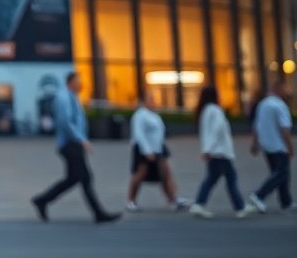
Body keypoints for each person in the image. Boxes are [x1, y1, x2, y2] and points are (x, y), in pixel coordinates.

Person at [31, 72, 121, 223]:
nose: (81, 84)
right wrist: (81, 140)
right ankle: (98, 213)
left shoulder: (73, 98)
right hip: (70, 144)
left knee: (74, 179)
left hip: (74, 144)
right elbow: (65, 122)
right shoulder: (64, 98)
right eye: (78, 81)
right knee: (84, 178)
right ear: (70, 82)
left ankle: (42, 200)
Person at [191, 86, 254, 219]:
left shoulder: (205, 111)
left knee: (212, 178)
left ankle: (199, 204)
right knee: (230, 178)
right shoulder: (215, 110)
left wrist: (206, 149)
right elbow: (216, 131)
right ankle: (239, 207)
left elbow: (206, 133)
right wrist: (208, 149)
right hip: (220, 151)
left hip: (214, 151)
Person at [126, 90, 189, 212]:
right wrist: (146, 151)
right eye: (150, 99)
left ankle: (172, 199)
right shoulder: (140, 115)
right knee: (140, 174)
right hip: (144, 150)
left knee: (166, 173)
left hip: (159, 148)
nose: (153, 102)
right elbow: (139, 134)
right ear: (144, 102)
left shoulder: (154, 115)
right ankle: (131, 201)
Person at [248, 78, 297, 213]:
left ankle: (286, 202)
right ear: (279, 89)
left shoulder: (263, 104)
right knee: (281, 173)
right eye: (285, 89)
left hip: (267, 145)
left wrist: (255, 143)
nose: (287, 92)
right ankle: (259, 195)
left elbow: (256, 125)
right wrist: (290, 147)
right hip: (279, 145)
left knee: (278, 173)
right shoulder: (280, 106)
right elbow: (284, 129)